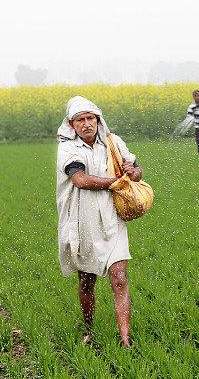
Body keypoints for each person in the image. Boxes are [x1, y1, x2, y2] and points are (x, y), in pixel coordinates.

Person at [55, 96, 142, 348]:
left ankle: (125, 338)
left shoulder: (113, 143)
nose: (86, 124)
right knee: (86, 280)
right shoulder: (68, 148)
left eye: (90, 118)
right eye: (80, 120)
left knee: (119, 278)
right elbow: (80, 180)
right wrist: (116, 182)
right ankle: (89, 328)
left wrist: (132, 172)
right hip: (82, 221)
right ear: (72, 124)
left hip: (112, 219)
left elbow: (137, 170)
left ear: (98, 120)